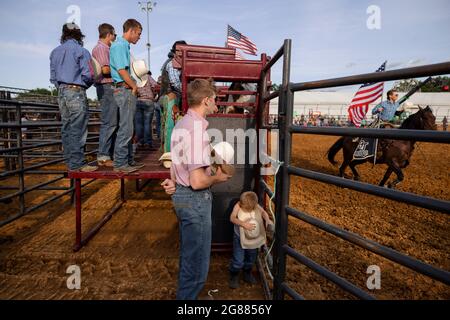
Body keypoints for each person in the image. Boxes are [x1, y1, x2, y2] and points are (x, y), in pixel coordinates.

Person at [161, 78, 231, 300]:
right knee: (198, 267)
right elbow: (198, 181)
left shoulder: (181, 123)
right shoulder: (197, 130)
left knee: (189, 257)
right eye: (215, 101)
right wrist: (217, 178)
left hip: (181, 197)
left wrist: (174, 180)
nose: (216, 105)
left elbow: (174, 162)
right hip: (194, 199)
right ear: (206, 100)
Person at [50, 23, 97, 172]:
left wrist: (62, 86)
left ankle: (71, 162)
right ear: (79, 34)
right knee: (78, 127)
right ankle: (78, 163)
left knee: (67, 126)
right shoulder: (81, 51)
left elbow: (53, 77)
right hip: (75, 90)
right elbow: (89, 74)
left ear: (64, 34)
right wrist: (82, 85)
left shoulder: (55, 52)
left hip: (62, 91)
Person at [109, 19, 144, 173]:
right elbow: (122, 71)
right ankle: (121, 163)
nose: (139, 37)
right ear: (131, 30)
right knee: (126, 128)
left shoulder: (119, 45)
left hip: (122, 88)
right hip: (124, 89)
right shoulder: (121, 45)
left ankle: (127, 161)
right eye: (138, 33)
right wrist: (134, 86)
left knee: (127, 127)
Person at [229, 191, 273, 289]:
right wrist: (243, 224)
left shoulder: (255, 205)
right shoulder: (238, 205)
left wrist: (267, 220)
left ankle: (247, 273)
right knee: (238, 260)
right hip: (239, 237)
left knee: (251, 257)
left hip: (253, 238)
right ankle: (234, 274)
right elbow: (232, 218)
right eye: (245, 208)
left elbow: (263, 212)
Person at [92, 23, 117, 167]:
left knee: (112, 121)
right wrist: (121, 72)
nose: (114, 37)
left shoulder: (104, 48)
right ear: (109, 34)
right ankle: (103, 155)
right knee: (109, 122)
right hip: (106, 86)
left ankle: (107, 154)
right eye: (113, 35)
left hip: (107, 86)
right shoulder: (101, 48)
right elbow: (105, 69)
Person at [159, 40, 186, 153]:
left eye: (183, 50)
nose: (180, 53)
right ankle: (168, 151)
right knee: (172, 116)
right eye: (178, 50)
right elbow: (176, 84)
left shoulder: (183, 63)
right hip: (168, 95)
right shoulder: (171, 63)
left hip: (179, 95)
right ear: (174, 51)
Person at [135, 71, 158, 148]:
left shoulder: (135, 78)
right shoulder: (148, 77)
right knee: (147, 123)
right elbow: (156, 86)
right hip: (148, 101)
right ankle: (147, 142)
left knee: (138, 123)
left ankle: (140, 142)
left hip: (138, 101)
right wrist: (154, 94)